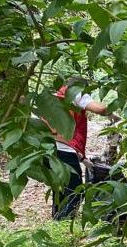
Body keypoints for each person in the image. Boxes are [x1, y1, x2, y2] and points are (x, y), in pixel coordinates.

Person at [44, 78, 117, 220]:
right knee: (76, 190)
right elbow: (101, 109)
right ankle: (63, 222)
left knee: (60, 186)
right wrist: (114, 115)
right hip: (62, 150)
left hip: (46, 149)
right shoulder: (75, 94)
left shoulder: (53, 97)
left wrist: (83, 159)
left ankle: (57, 217)